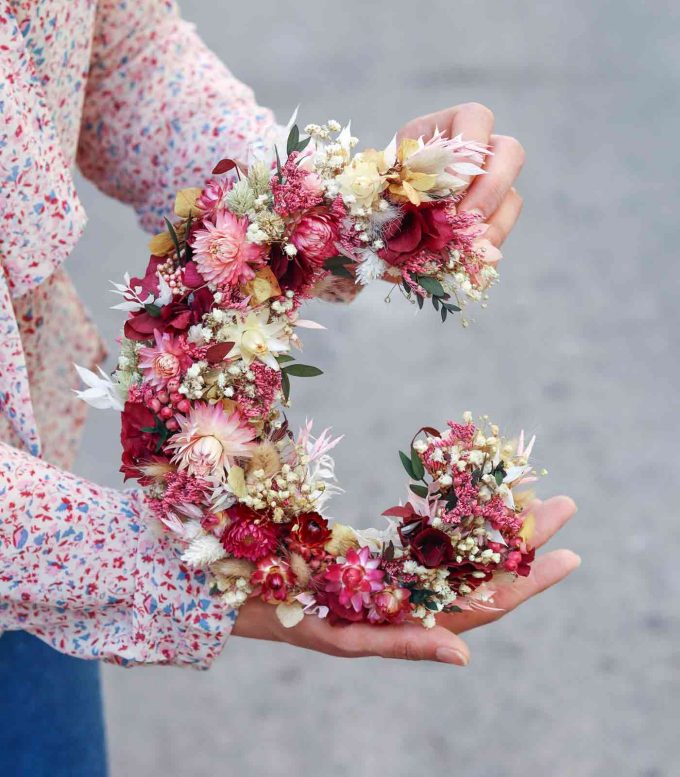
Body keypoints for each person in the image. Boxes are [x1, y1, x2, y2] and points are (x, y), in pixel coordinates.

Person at [0, 1, 579, 774]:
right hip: (52, 557)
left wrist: (334, 206)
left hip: (36, 582)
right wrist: (182, 569)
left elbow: (118, 57)